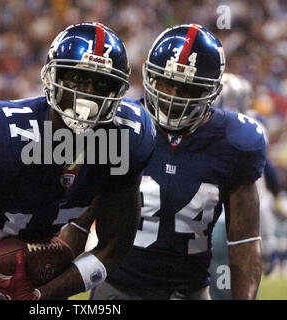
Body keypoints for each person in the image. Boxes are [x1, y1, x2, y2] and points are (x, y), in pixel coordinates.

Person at [0, 22, 156, 300]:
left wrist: (39, 296)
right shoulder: (9, 135)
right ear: (51, 77)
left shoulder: (126, 138)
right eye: (77, 80)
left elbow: (113, 246)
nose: (87, 96)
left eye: (102, 84)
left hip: (35, 283)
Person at [89, 24, 266, 300]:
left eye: (187, 88)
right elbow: (79, 219)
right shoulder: (119, 125)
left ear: (210, 92)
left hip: (190, 292)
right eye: (166, 82)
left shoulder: (235, 142)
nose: (173, 96)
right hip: (117, 289)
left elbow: (244, 241)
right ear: (150, 77)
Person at [210, 73, 283, 299]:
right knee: (238, 287)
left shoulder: (203, 126)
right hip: (244, 215)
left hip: (209, 217)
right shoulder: (252, 129)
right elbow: (264, 180)